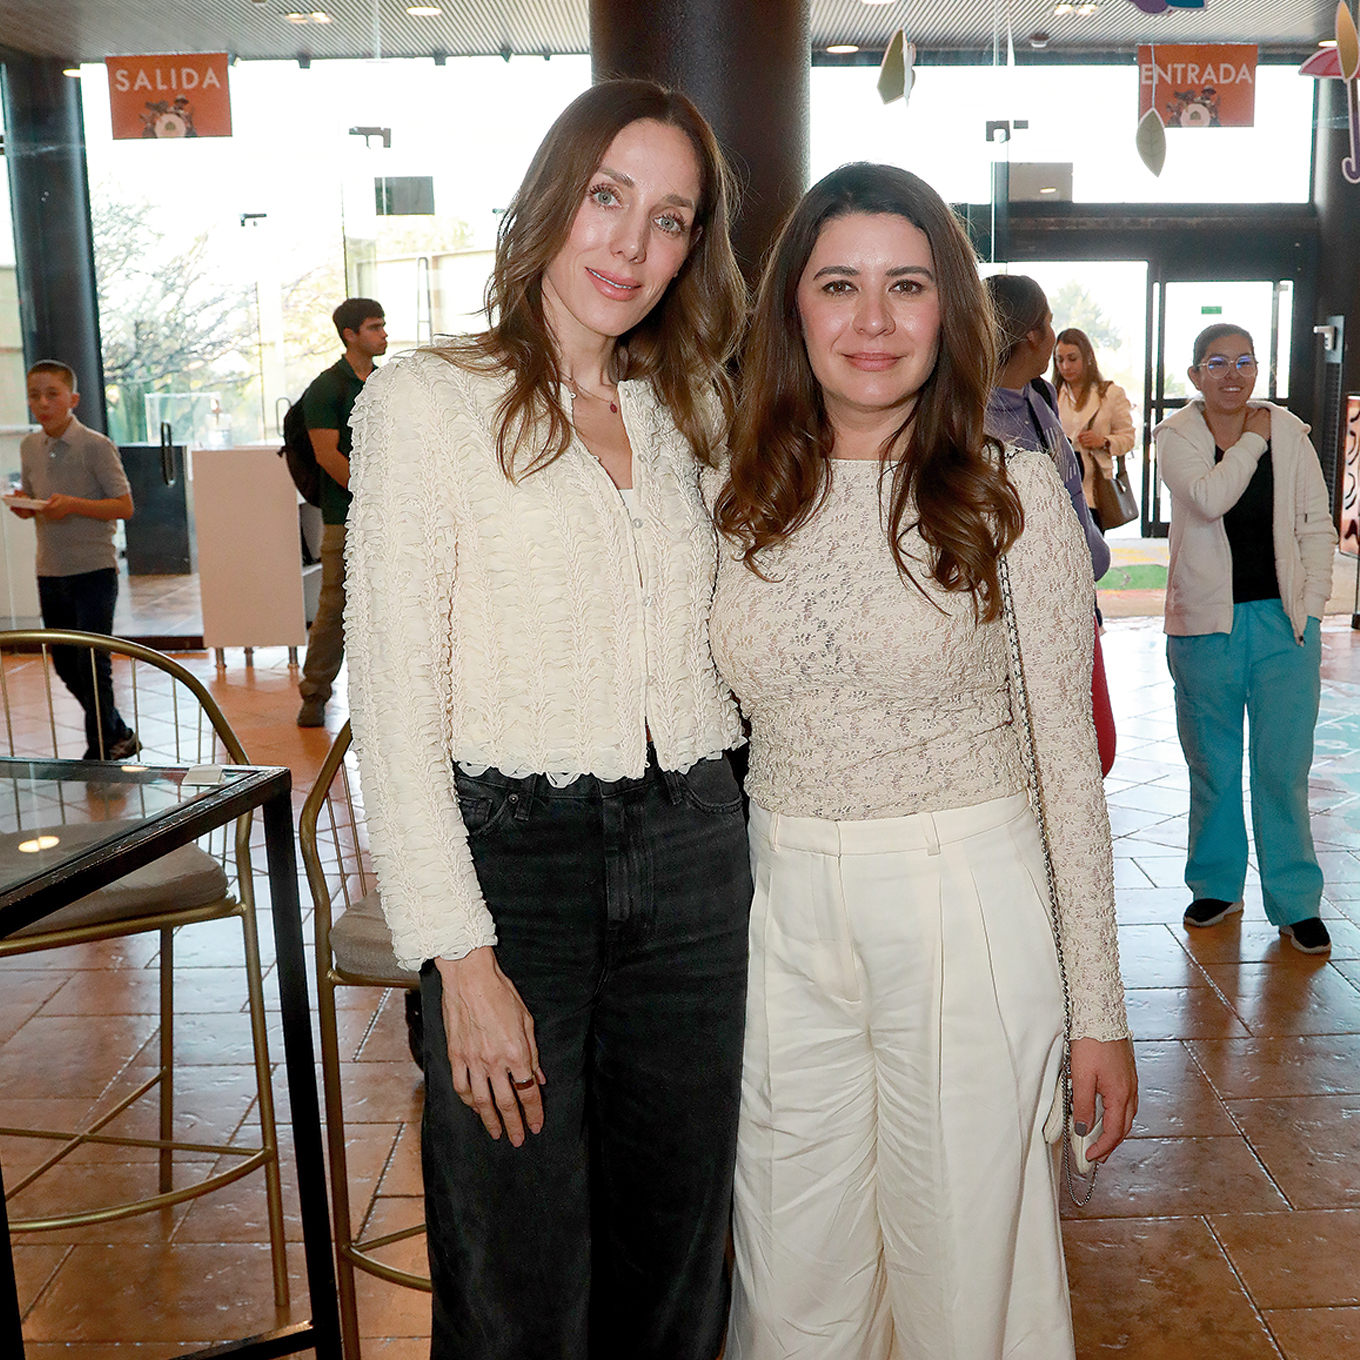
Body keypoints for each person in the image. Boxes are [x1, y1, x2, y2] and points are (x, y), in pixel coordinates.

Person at [343, 80, 750, 1360]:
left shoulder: (692, 410)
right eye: (606, 197)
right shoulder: (427, 400)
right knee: (514, 1270)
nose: (631, 244)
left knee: (676, 1258)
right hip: (512, 874)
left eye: (670, 218)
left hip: (696, 858)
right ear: (548, 202)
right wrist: (458, 960)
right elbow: (393, 704)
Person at [710, 163, 1136, 1359]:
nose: (873, 319)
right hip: (782, 911)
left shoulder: (1011, 496)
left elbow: (1066, 764)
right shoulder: (739, 493)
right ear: (792, 308)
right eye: (838, 284)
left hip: (964, 902)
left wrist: (1098, 1011)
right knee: (790, 1283)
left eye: (906, 285)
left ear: (949, 308)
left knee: (964, 1287)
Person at [1156, 323, 1337, 954]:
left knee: (1283, 769)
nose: (1232, 374)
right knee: (1212, 766)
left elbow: (1316, 525)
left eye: (1244, 362)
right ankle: (1216, 886)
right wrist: (1253, 443)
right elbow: (1211, 498)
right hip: (1204, 629)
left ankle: (1296, 902)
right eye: (1217, 362)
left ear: (1258, 370)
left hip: (1283, 624)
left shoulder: (1290, 433)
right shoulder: (1176, 436)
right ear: (1194, 375)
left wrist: (1312, 608)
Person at [10, 361, 138, 760]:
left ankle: (99, 751)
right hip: (50, 569)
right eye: (34, 396)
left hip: (94, 569)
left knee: (92, 662)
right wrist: (24, 506)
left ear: (73, 399)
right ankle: (118, 732)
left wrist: (74, 505)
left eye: (52, 394)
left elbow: (124, 506)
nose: (43, 403)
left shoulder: (95, 445)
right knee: (66, 663)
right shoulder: (29, 446)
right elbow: (36, 502)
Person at [295, 298, 387, 728]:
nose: (383, 334)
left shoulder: (385, 382)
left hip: (389, 515)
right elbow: (326, 454)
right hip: (345, 516)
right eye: (374, 327)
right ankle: (314, 693)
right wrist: (369, 492)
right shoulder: (326, 387)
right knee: (335, 607)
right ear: (350, 335)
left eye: (382, 325)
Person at [984, 274, 1109, 582]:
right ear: (1032, 334)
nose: (1053, 338)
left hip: (1077, 580)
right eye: (1049, 323)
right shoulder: (970, 416)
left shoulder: (1040, 393)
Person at [1053, 327, 1136, 531]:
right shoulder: (1051, 394)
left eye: (1072, 359)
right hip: (1059, 488)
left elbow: (1128, 438)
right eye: (1060, 360)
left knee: (1092, 546)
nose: (1066, 366)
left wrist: (1104, 441)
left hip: (1095, 490)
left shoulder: (1110, 394)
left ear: (1088, 357)